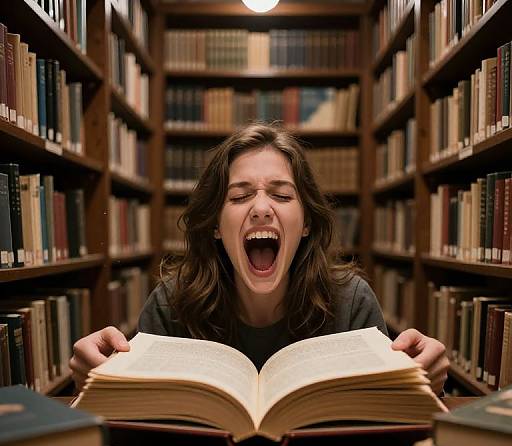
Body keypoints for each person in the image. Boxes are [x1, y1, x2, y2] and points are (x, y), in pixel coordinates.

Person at [70, 123, 448, 395]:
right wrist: (97, 384)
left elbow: (390, 419)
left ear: (305, 225)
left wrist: (425, 384)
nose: (262, 208)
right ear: (216, 225)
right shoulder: (172, 303)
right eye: (238, 197)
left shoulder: (352, 303)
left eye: (282, 195)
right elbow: (134, 418)